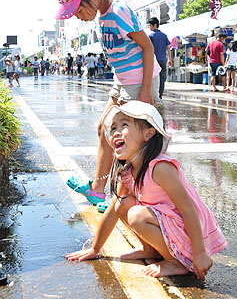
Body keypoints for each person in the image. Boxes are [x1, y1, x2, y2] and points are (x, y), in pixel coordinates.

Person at [65, 101, 227, 280]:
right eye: (113, 128)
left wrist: (200, 253)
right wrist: (95, 249)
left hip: (189, 233)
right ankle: (151, 250)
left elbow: (188, 210)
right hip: (170, 226)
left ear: (149, 133)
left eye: (124, 125)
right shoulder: (128, 171)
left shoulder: (160, 168)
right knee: (123, 202)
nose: (115, 132)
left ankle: (176, 262)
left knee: (136, 215)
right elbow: (112, 212)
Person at [55, 0, 161, 210]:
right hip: (122, 80)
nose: (78, 17)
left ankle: (124, 198)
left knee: (127, 140)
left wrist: (145, 89)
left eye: (78, 10)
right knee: (104, 128)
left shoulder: (119, 11)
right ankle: (98, 190)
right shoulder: (101, 14)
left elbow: (147, 47)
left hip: (138, 81)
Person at [148, 17, 171, 104]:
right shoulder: (164, 36)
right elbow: (168, 48)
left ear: (155, 25)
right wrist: (170, 58)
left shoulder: (151, 36)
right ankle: (160, 96)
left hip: (154, 61)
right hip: (163, 60)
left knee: (153, 79)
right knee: (162, 79)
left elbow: (148, 49)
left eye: (150, 25)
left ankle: (155, 96)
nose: (150, 27)